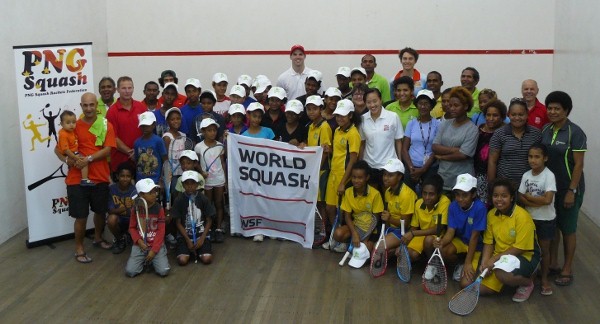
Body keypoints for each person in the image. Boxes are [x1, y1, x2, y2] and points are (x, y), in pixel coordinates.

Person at [55, 92, 116, 263]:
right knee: (81, 216)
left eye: (92, 105)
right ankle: (79, 248)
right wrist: (68, 160)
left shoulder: (105, 125)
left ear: (97, 106)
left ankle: (98, 238)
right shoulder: (72, 126)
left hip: (100, 177)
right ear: (81, 106)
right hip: (76, 179)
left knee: (99, 211)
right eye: (85, 105)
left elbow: (108, 149)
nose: (89, 108)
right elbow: (57, 150)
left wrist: (88, 159)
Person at [541, 91, 586, 287]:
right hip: (550, 189)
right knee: (553, 226)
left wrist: (571, 191)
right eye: (550, 108)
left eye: (557, 108)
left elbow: (578, 165)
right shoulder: (545, 130)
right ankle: (553, 263)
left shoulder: (575, 132)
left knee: (568, 229)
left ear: (566, 110)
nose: (552, 111)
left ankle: (567, 268)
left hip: (569, 189)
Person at [478, 179, 540, 303]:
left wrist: (493, 260)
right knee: (480, 289)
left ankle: (527, 283)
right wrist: (485, 263)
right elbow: (489, 242)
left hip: (525, 256)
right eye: (495, 195)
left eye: (504, 196)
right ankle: (508, 279)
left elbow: (520, 248)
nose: (499, 199)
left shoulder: (522, 217)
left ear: (512, 197)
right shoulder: (491, 214)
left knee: (501, 273)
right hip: (501, 257)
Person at [518, 143, 557, 295]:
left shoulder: (549, 176)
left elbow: (548, 200)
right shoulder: (526, 175)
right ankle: (530, 277)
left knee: (544, 250)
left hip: (546, 220)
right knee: (530, 250)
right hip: (529, 220)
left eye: (537, 157)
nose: (533, 160)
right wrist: (531, 199)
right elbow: (521, 197)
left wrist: (529, 197)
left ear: (545, 158)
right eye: (530, 157)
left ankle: (545, 278)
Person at [435, 174, 487, 285]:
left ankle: (467, 263)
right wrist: (442, 242)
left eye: (464, 195)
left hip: (476, 246)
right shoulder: (453, 206)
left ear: (473, 194)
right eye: (457, 195)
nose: (460, 199)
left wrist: (468, 263)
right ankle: (460, 264)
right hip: (460, 242)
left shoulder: (480, 208)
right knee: (443, 249)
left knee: (465, 284)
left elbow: (474, 237)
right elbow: (450, 231)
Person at [324, 99, 361, 252]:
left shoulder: (353, 133)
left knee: (343, 211)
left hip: (343, 177)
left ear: (351, 115)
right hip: (333, 174)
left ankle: (343, 241)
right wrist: (329, 149)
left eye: (343, 115)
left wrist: (343, 182)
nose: (339, 118)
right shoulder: (337, 130)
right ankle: (335, 237)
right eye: (338, 115)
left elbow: (353, 159)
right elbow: (339, 152)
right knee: (330, 208)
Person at [432, 87, 478, 192]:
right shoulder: (445, 123)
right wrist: (455, 150)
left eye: (456, 105)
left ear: (466, 106)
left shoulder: (472, 129)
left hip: (462, 180)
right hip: (443, 176)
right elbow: (435, 146)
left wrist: (442, 157)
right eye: (450, 105)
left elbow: (463, 155)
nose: (452, 108)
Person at [240, 102, 275, 242]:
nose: (256, 119)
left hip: (267, 173)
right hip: (251, 175)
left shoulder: (268, 131)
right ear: (248, 116)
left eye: (259, 116)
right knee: (255, 200)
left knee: (268, 200)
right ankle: (258, 229)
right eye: (254, 116)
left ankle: (270, 227)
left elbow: (276, 151)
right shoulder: (243, 135)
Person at [487, 98, 541, 186]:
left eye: (521, 114)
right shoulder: (499, 134)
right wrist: (491, 186)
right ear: (508, 115)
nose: (517, 118)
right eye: (513, 114)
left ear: (527, 115)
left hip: (530, 186)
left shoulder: (536, 134)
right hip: (505, 187)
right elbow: (492, 161)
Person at [332, 160, 384, 252]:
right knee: (338, 234)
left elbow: (376, 220)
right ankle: (348, 243)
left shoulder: (375, 194)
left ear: (367, 177)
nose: (356, 181)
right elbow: (347, 216)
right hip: (356, 226)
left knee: (366, 250)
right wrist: (354, 233)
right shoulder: (348, 192)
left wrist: (366, 239)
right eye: (354, 177)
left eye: (360, 178)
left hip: (371, 230)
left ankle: (358, 243)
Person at [359, 88, 403, 192]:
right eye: (369, 102)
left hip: (388, 166)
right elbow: (362, 143)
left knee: (388, 197)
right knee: (373, 197)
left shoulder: (393, 117)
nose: (372, 105)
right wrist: (361, 163)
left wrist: (400, 161)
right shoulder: (363, 119)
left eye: (375, 101)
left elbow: (398, 141)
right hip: (369, 165)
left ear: (380, 100)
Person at [125, 178, 170, 277]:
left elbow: (161, 230)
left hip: (156, 244)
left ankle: (153, 258)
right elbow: (132, 228)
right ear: (141, 195)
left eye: (155, 191)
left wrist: (154, 250)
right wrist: (139, 242)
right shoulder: (135, 209)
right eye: (150, 193)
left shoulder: (159, 209)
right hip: (140, 246)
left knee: (164, 271)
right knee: (130, 272)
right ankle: (147, 261)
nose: (154, 194)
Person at [400, 174, 450, 263]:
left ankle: (433, 264)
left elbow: (437, 229)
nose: (427, 197)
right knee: (407, 253)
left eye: (431, 194)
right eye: (424, 193)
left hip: (438, 236)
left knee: (428, 240)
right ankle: (425, 260)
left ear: (439, 194)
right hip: (422, 234)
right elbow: (414, 227)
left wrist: (412, 233)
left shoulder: (445, 202)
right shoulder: (419, 203)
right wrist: (407, 238)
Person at [304, 95, 333, 246]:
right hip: (313, 170)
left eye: (314, 109)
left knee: (321, 202)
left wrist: (317, 168)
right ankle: (318, 228)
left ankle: (324, 232)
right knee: (316, 201)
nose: (311, 112)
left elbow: (326, 151)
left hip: (322, 170)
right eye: (309, 109)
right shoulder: (311, 126)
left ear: (321, 109)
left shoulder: (324, 126)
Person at [172, 170, 216, 265]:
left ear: (197, 184)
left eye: (193, 183)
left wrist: (202, 238)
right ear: (183, 185)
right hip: (185, 236)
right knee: (182, 261)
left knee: (207, 259)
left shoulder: (203, 199)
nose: (190, 186)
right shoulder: (179, 200)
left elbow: (209, 220)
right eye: (187, 184)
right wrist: (187, 239)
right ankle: (186, 251)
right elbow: (178, 222)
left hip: (201, 234)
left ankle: (199, 250)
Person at [401, 89, 440, 193]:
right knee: (408, 196)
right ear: (416, 105)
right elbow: (404, 149)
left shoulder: (437, 124)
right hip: (411, 168)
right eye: (420, 103)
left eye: (426, 103)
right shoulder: (411, 123)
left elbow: (436, 150)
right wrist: (410, 168)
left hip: (430, 168)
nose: (423, 107)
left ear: (432, 106)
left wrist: (423, 169)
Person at [106, 76, 147, 174]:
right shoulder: (112, 111)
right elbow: (113, 137)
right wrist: (131, 153)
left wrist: (138, 153)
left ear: (133, 88)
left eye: (130, 88)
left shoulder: (141, 107)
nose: (127, 91)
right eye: (124, 88)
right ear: (118, 90)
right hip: (120, 162)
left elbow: (147, 131)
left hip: (142, 160)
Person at [195, 118, 227, 243]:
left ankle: (218, 229)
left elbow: (223, 162)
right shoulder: (199, 147)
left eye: (214, 130)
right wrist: (201, 172)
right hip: (206, 181)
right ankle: (208, 229)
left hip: (219, 179)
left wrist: (226, 181)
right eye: (209, 130)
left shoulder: (220, 146)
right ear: (203, 131)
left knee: (219, 203)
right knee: (208, 204)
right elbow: (196, 163)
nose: (212, 133)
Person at [474, 100, 507, 205]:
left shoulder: (505, 132)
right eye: (488, 115)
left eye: (495, 115)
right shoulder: (479, 129)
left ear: (502, 117)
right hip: (477, 174)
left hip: (495, 176)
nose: (491, 118)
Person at [380, 158, 417, 235]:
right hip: (391, 228)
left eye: (390, 175)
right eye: (385, 174)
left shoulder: (406, 195)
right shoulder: (387, 191)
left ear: (399, 176)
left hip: (405, 232)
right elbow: (387, 214)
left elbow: (405, 225)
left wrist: (389, 219)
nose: (385, 178)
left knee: (380, 246)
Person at [107, 162, 137, 254]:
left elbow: (137, 213)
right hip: (119, 220)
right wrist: (125, 208)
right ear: (117, 176)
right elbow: (110, 211)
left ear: (131, 177)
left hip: (132, 221)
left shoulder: (135, 190)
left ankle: (130, 234)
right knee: (111, 219)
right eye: (122, 176)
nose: (125, 179)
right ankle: (120, 239)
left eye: (128, 176)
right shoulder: (112, 189)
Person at [58, 110, 93, 186]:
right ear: (61, 124)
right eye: (68, 123)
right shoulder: (63, 134)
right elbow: (65, 150)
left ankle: (84, 179)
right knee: (84, 161)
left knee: (83, 161)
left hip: (73, 153)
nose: (71, 125)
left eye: (73, 122)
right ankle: (84, 180)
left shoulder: (71, 131)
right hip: (71, 154)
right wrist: (75, 157)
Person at [134, 112, 167, 184]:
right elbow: (136, 161)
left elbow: (165, 160)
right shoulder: (137, 142)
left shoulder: (158, 141)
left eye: (147, 125)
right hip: (141, 180)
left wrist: (162, 179)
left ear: (154, 124)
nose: (144, 128)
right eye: (142, 126)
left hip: (155, 180)